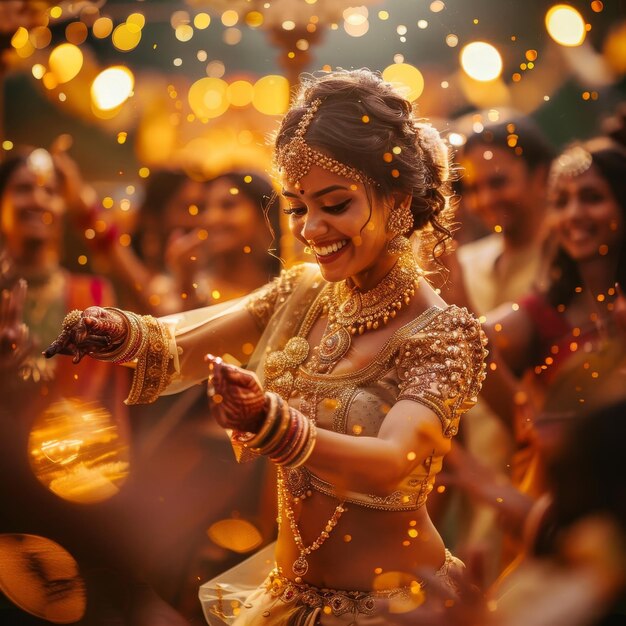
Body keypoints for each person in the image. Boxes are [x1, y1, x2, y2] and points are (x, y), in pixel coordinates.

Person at [44, 68, 488, 625]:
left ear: (398, 200)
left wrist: (275, 425)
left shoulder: (442, 333)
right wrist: (115, 333)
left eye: (335, 204)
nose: (310, 229)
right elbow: (180, 345)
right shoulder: (304, 292)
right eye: (300, 207)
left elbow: (393, 462)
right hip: (287, 603)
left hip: (395, 610)